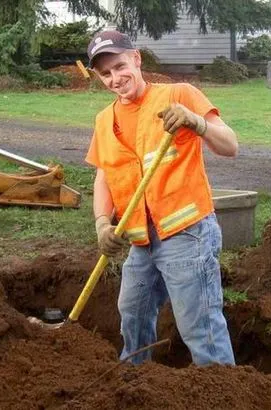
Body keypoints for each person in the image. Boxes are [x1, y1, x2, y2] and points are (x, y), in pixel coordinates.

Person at [85, 30, 237, 366]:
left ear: (136, 59)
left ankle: (223, 390)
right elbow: (103, 177)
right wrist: (100, 223)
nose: (115, 78)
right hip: (140, 241)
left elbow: (230, 145)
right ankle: (134, 382)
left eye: (120, 66)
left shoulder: (179, 94)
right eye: (105, 73)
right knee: (132, 314)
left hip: (188, 234)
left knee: (199, 327)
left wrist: (197, 123)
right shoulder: (104, 120)